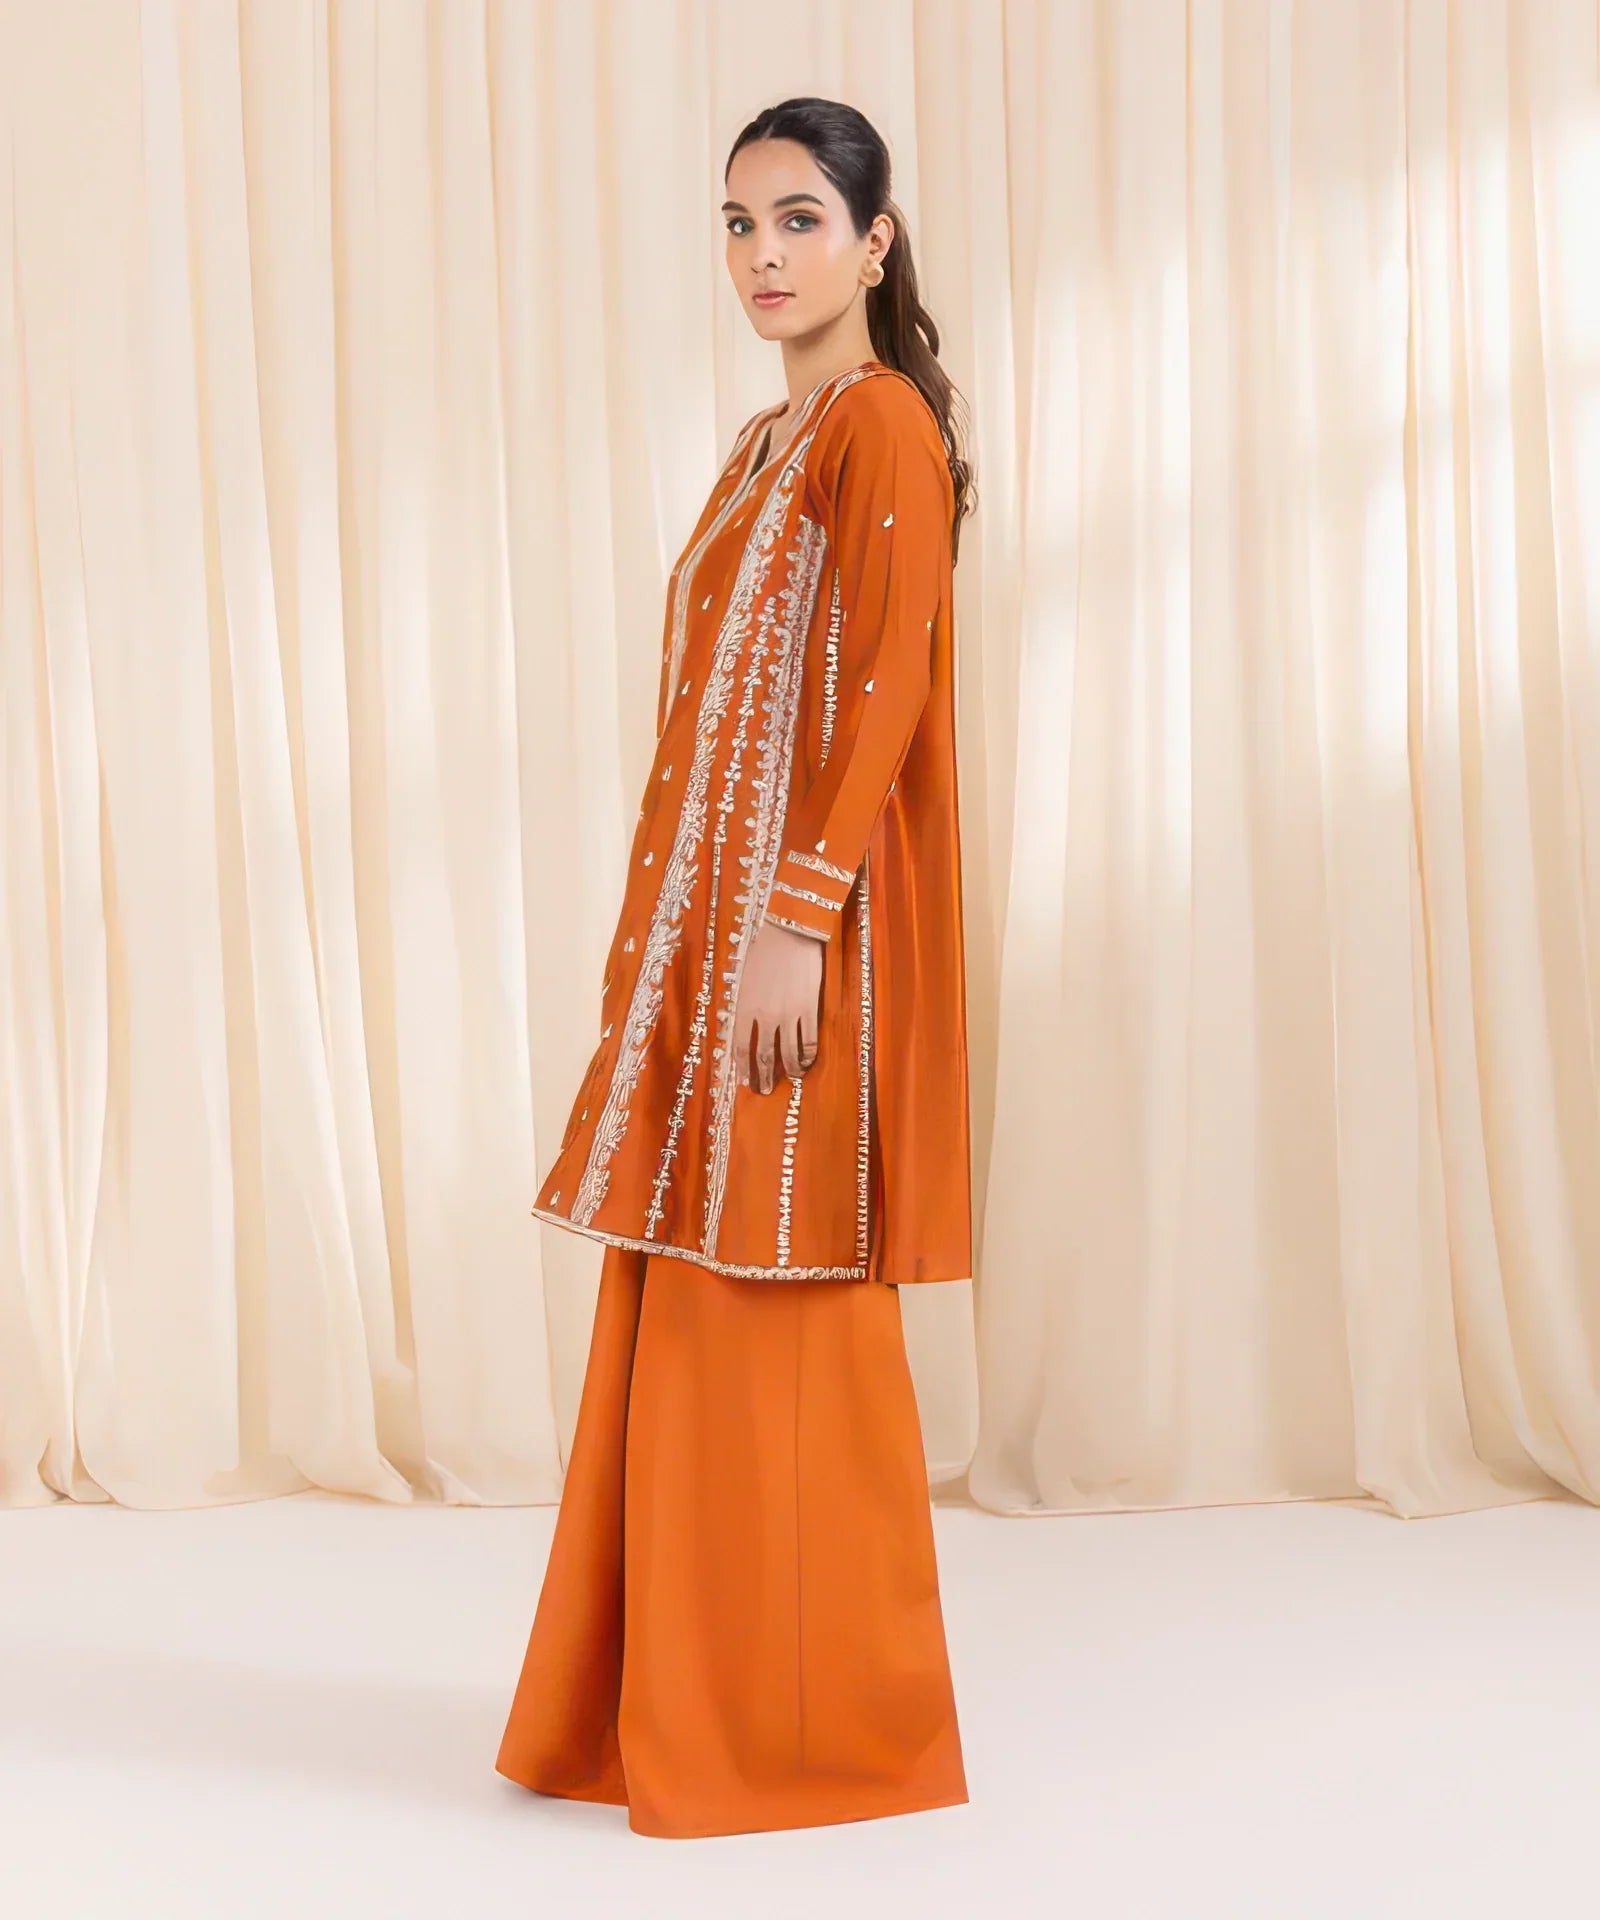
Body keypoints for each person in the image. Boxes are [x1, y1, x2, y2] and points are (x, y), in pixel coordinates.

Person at [495, 95, 977, 1840]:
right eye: (737, 224)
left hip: (795, 955)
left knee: (777, 1303)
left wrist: (798, 920)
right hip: (718, 956)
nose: (762, 257)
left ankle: (808, 1735)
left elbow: (886, 690)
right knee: (688, 1300)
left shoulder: (881, 427)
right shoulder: (770, 441)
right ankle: (664, 1711)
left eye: (797, 221)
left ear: (874, 239)